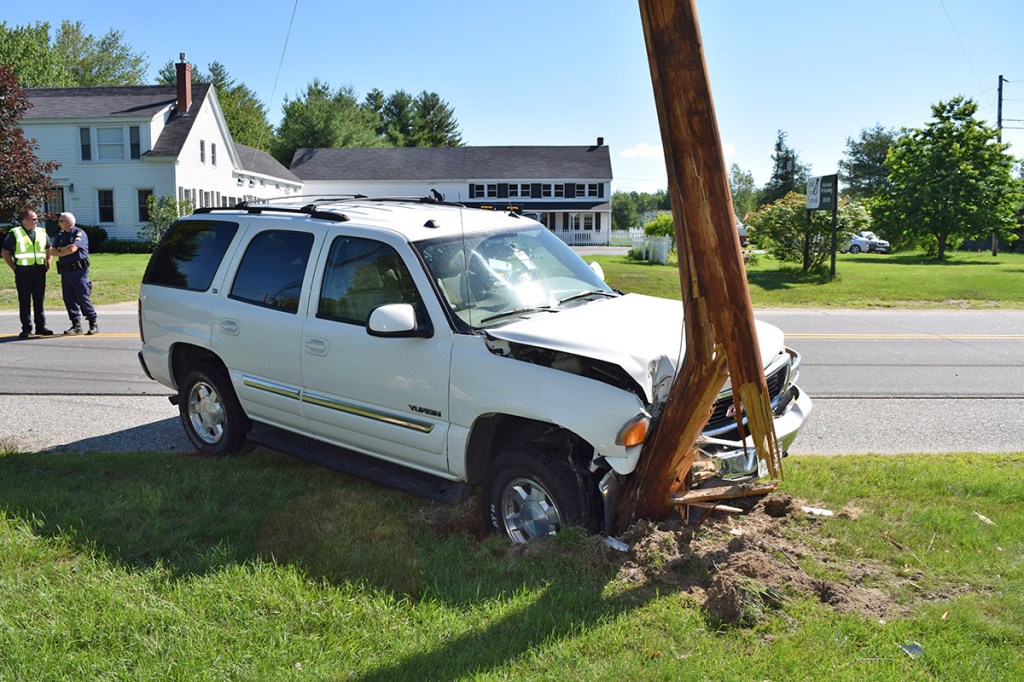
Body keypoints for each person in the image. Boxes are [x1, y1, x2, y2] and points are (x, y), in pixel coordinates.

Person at [2, 208, 54, 338]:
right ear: (25, 221)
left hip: (39, 270)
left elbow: (49, 248)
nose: (37, 221)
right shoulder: (15, 233)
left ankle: (40, 327)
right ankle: (26, 328)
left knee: (39, 299)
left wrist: (48, 262)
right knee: (24, 300)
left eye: (37, 219)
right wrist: (14, 268)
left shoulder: (41, 232)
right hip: (23, 271)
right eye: (34, 219)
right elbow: (5, 252)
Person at [50, 211, 98, 335]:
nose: (59, 223)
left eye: (61, 221)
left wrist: (61, 250)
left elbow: (72, 249)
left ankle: (93, 323)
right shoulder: (60, 235)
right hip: (65, 271)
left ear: (69, 222)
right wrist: (63, 250)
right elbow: (52, 251)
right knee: (68, 298)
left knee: (83, 297)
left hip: (79, 271)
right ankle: (76, 325)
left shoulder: (79, 233)